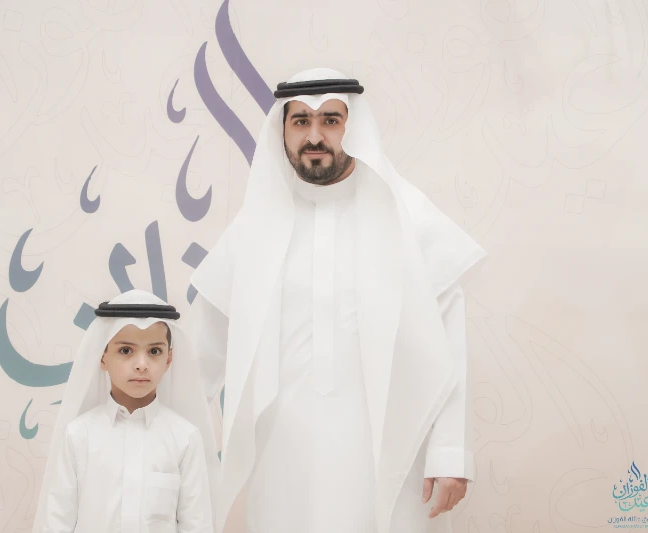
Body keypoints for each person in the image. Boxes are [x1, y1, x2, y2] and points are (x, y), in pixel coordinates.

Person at [186, 69, 488, 533]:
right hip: (283, 460)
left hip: (387, 454)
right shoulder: (254, 229)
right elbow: (200, 357)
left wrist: (449, 451)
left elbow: (448, 343)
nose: (314, 136)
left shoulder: (406, 216)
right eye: (300, 121)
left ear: (354, 126)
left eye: (330, 120)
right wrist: (164, 443)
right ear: (282, 131)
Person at [32, 289, 219, 533]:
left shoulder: (185, 438)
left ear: (169, 359)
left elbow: (197, 525)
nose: (141, 365)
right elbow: (56, 523)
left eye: (154, 351)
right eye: (126, 351)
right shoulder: (78, 436)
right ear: (102, 357)